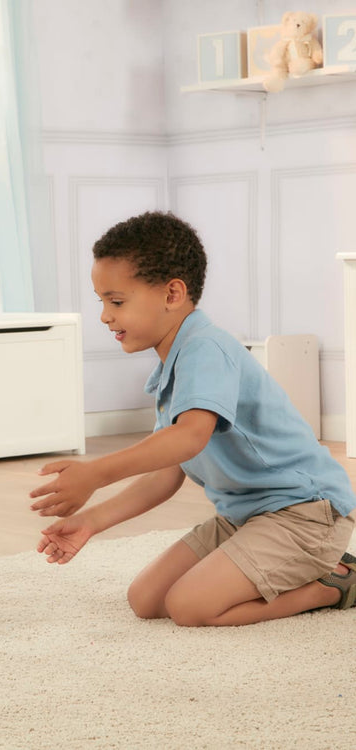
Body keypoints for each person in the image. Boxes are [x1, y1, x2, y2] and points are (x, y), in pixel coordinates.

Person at [30, 211, 356, 626]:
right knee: (146, 600)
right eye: (103, 303)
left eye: (116, 302)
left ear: (172, 294)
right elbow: (165, 474)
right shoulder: (172, 370)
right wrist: (90, 522)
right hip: (246, 517)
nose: (105, 316)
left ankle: (334, 583)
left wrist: (95, 474)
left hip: (306, 515)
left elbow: (189, 438)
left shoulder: (206, 350)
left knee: (189, 607)